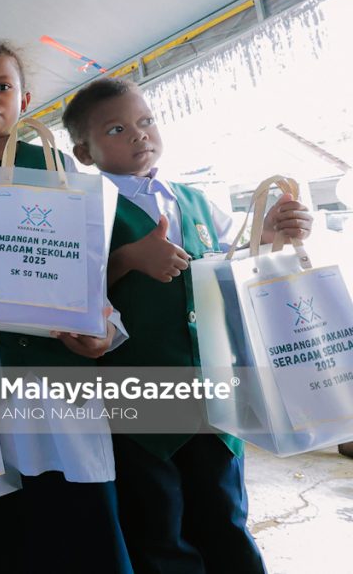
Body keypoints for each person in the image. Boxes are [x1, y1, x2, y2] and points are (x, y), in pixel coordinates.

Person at [63, 77, 310, 572]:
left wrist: (276, 233)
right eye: (117, 128)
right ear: (84, 153)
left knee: (225, 514)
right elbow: (62, 288)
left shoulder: (194, 201)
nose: (139, 135)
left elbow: (235, 258)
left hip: (215, 391)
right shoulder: (79, 208)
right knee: (159, 526)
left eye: (146, 121)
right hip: (139, 394)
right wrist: (127, 259)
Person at [0, 41, 133, 573]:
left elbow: (85, 266)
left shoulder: (60, 171)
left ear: (24, 99)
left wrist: (105, 331)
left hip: (62, 373)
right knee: (9, 528)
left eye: (2, 87)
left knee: (86, 521)